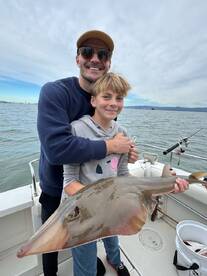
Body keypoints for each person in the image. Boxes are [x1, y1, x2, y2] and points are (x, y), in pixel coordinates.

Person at [37, 30, 138, 276]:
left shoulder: (108, 103)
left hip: (102, 193)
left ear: (108, 62)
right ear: (78, 59)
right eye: (87, 52)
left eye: (102, 54)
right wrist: (111, 147)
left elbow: (111, 141)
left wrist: (126, 152)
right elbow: (56, 149)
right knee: (52, 245)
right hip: (57, 187)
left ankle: (109, 262)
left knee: (105, 235)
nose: (95, 58)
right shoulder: (55, 92)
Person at [63, 72, 132, 276]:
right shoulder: (76, 129)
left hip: (111, 205)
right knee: (86, 261)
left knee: (113, 238)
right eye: (107, 96)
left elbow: (122, 173)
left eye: (119, 98)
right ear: (93, 100)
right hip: (82, 211)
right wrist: (100, 200)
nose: (113, 103)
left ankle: (115, 261)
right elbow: (69, 181)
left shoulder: (123, 132)